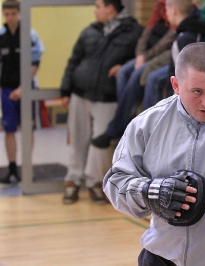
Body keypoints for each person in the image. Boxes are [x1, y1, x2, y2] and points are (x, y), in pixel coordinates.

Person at [103, 42, 205, 266]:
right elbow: (115, 183)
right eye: (197, 91)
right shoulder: (147, 124)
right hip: (163, 258)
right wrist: (152, 192)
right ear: (176, 84)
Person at [60, 0, 143, 204]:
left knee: (101, 143)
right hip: (80, 94)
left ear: (111, 9)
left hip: (108, 98)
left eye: (99, 6)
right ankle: (73, 181)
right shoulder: (89, 31)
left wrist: (124, 67)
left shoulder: (134, 32)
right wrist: (65, 90)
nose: (95, 10)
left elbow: (139, 59)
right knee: (77, 139)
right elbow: (73, 61)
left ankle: (96, 183)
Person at [91, 0, 176, 148]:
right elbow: (147, 32)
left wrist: (146, 56)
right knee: (123, 72)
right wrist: (140, 55)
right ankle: (126, 123)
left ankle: (125, 129)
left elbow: (167, 42)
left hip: (159, 55)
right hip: (147, 54)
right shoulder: (160, 6)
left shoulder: (178, 8)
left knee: (140, 76)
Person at [0, 0, 44, 185]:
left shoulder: (30, 35)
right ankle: (11, 169)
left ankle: (27, 167)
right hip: (7, 90)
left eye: (13, 14)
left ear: (19, 13)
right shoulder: (1, 34)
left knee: (28, 128)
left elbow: (35, 64)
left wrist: (22, 88)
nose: (10, 18)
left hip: (26, 90)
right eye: (6, 14)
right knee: (9, 129)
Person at [141, 0, 205, 112]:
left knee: (154, 79)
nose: (166, 14)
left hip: (182, 100)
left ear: (173, 11)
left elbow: (185, 72)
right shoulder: (183, 34)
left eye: (167, 10)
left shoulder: (186, 38)